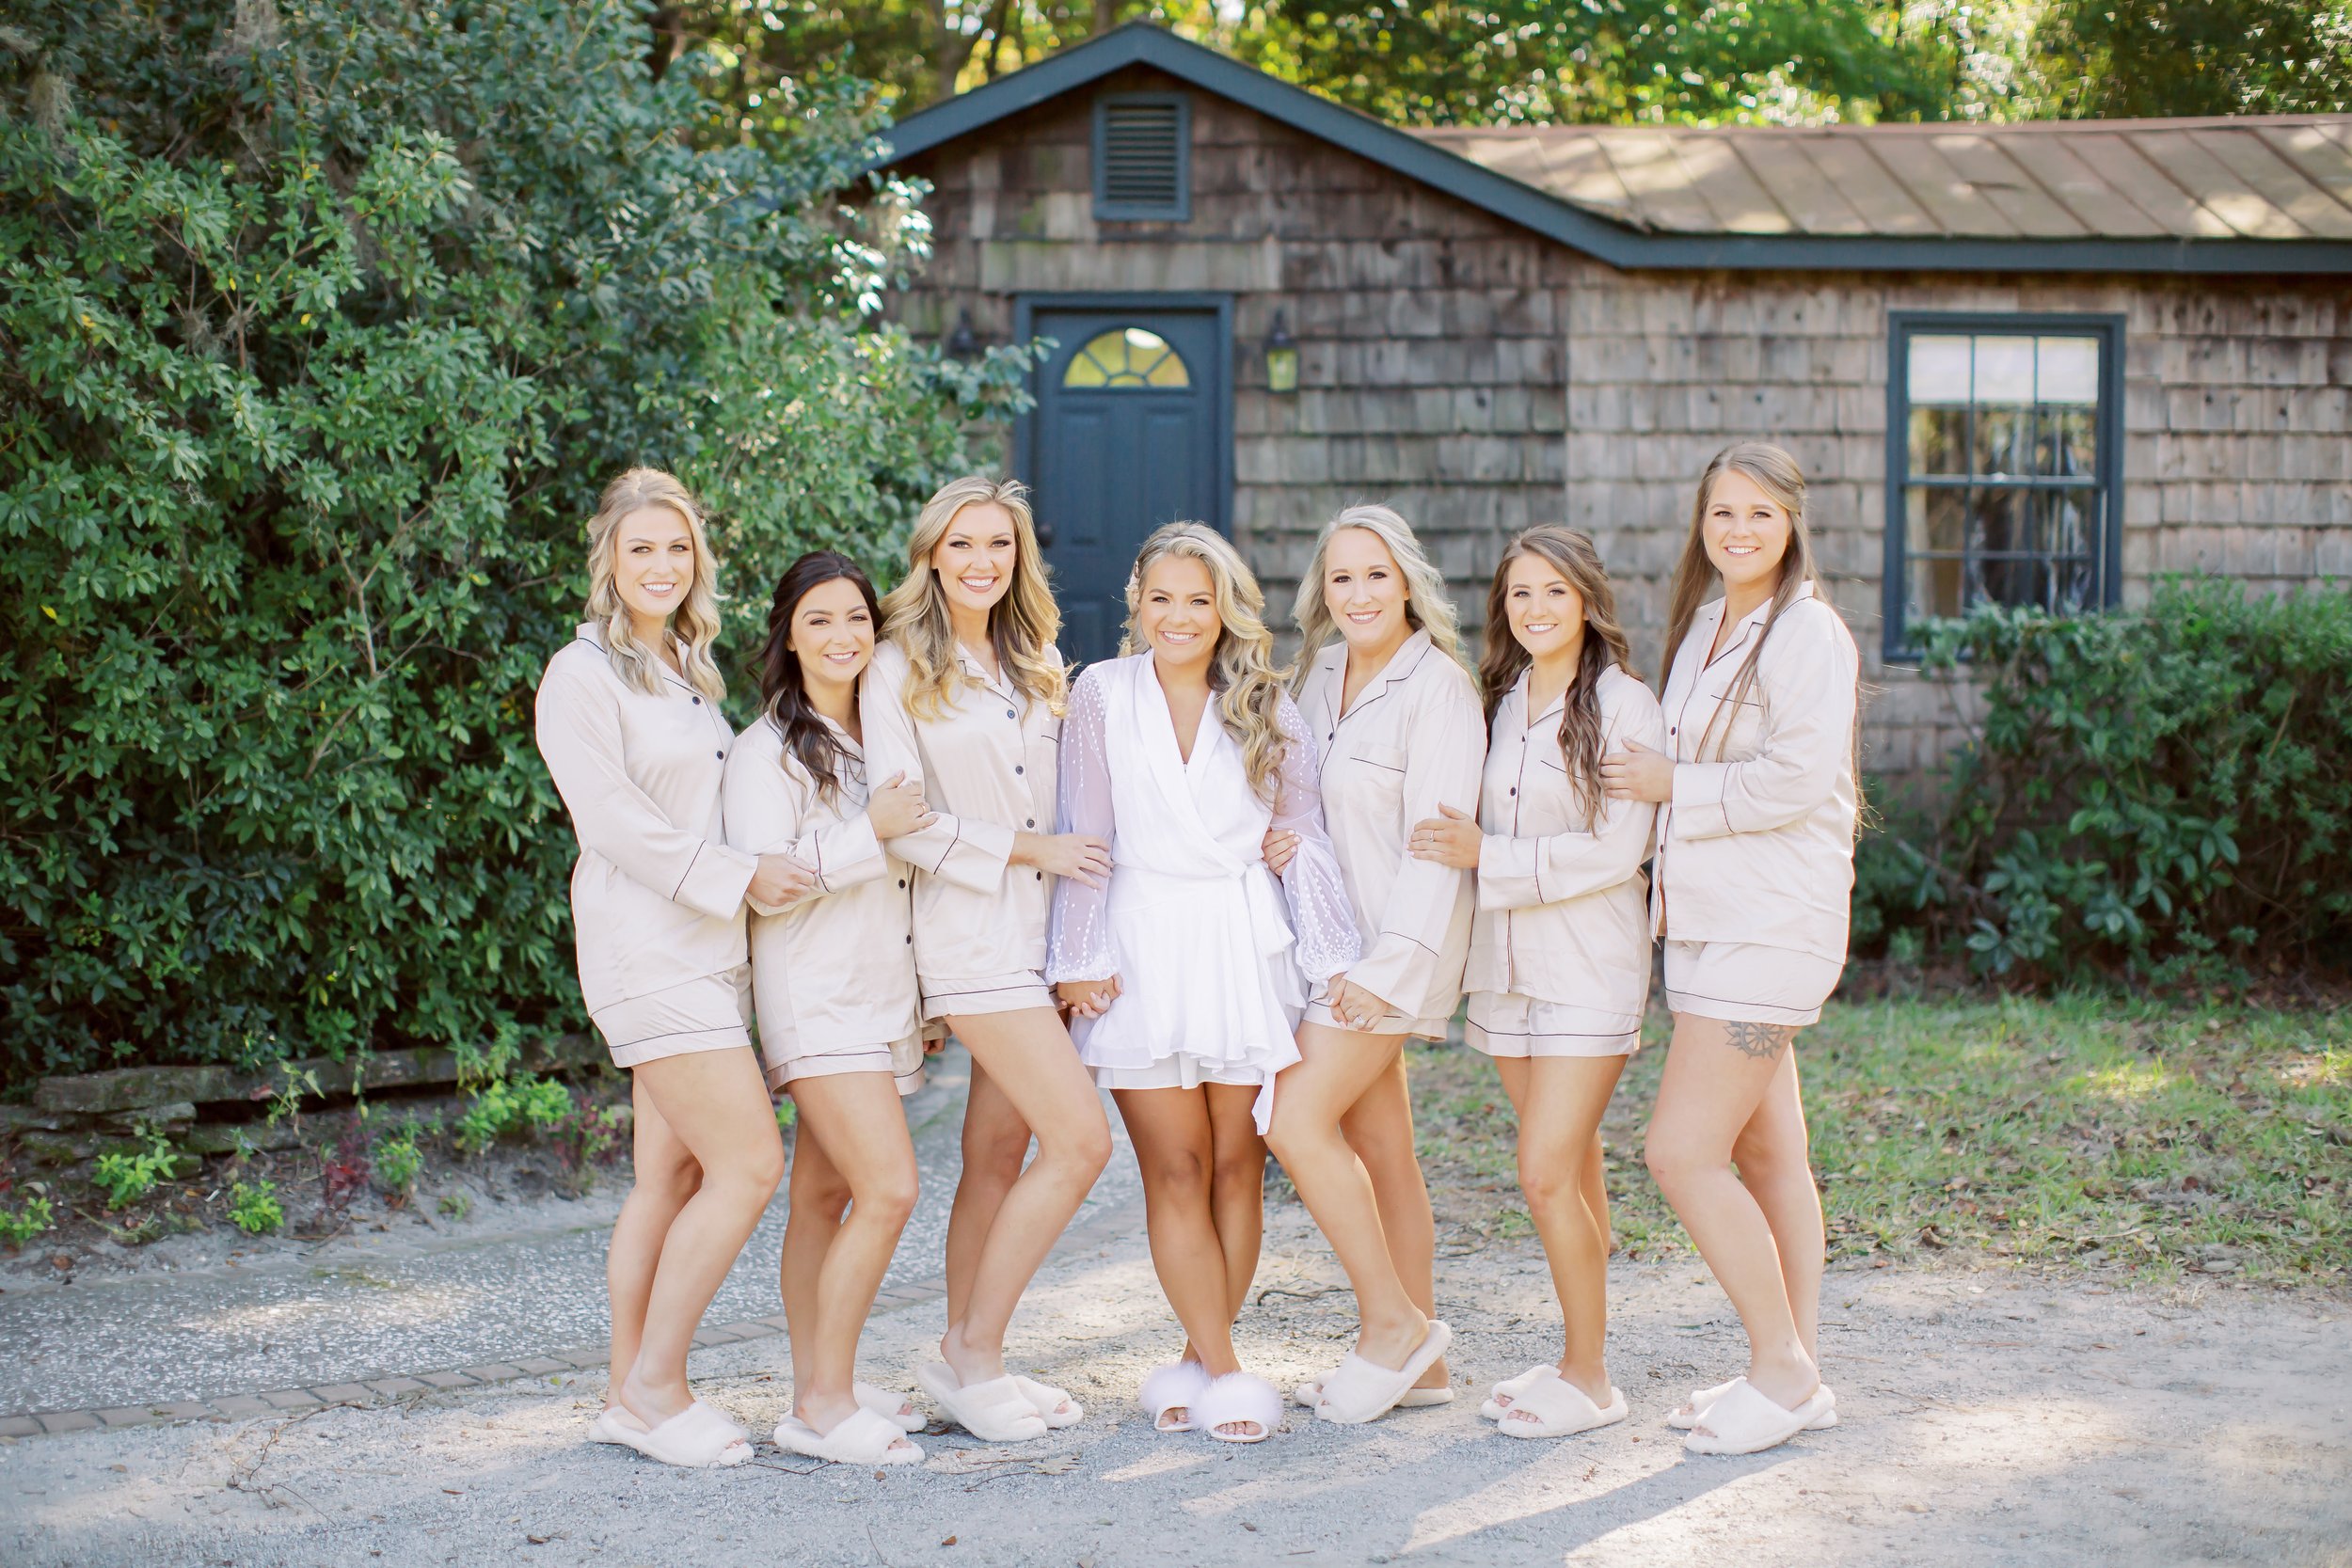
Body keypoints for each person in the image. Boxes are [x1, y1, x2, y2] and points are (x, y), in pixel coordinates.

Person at [1048, 523, 1359, 1445]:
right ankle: (1227, 1370)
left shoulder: (1267, 700)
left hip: (1239, 941)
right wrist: (1079, 952)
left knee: (1237, 1162)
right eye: (1162, 598)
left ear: (1226, 606)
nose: (1180, 616)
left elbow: (1306, 832)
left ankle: (1197, 1354)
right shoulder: (1102, 692)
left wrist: (1321, 933)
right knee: (1173, 1165)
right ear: (1136, 602)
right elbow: (1085, 832)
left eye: (1199, 599)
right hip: (1141, 944)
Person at [534, 467, 807, 1468]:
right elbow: (612, 822)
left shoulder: (689, 667)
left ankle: (623, 1390)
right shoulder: (582, 673)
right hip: (646, 946)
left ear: (697, 561)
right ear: (608, 555)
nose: (660, 564)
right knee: (750, 1162)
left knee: (667, 1174)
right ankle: (661, 1381)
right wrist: (741, 877)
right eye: (641, 546)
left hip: (706, 949)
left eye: (677, 547)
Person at [1600, 440, 1861, 1456]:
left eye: (1758, 513)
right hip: (1705, 925)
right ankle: (1792, 1365)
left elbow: (1793, 781)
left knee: (1680, 1149)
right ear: (1700, 524)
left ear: (1791, 522)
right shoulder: (1707, 622)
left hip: (1772, 926)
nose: (1738, 531)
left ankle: (1783, 1370)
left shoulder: (1809, 633)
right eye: (1721, 514)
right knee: (1766, 1150)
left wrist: (1675, 787)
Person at [861, 476, 1114, 1442]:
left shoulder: (1034, 656)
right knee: (1081, 1141)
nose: (980, 562)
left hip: (1042, 940)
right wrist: (1029, 850)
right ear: (930, 555)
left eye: (998, 547)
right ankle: (974, 1352)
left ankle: (966, 1354)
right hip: (970, 940)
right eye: (961, 545)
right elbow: (901, 825)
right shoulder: (894, 667)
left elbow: (1070, 799)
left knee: (997, 1154)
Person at [1406, 527, 1663, 1440]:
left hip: (1589, 967)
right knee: (1574, 1167)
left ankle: (1591, 1377)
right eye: (1520, 594)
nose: (1537, 608)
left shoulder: (1628, 706)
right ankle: (1572, 1354)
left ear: (1587, 598)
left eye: (1553, 590)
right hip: (1504, 968)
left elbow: (1615, 851)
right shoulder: (1499, 700)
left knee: (1544, 1170)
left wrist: (1492, 856)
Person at [1264, 504, 1484, 1425]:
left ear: (1407, 584)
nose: (1357, 592)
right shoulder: (1315, 675)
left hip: (1396, 952)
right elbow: (1304, 802)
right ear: (1324, 590)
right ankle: (1421, 1362)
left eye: (1375, 574)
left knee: (1291, 1116)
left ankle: (1391, 1325)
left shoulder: (1438, 688)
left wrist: (1389, 969)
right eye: (1341, 576)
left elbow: (1435, 846)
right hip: (1328, 944)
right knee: (1384, 1148)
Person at [724, 550, 935, 1466]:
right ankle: (823, 1403)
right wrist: (867, 833)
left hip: (879, 996)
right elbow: (765, 887)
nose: (843, 635)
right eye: (819, 619)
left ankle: (820, 1373)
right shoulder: (762, 750)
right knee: (890, 1187)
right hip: (815, 1000)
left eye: (856, 617)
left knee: (823, 1193)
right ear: (788, 633)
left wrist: (924, 995)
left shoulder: (879, 739)